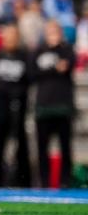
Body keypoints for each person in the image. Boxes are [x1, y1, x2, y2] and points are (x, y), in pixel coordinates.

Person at [0, 25, 31, 187]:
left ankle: (24, 180)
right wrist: (1, 88)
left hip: (18, 105)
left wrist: (17, 92)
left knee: (21, 142)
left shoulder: (24, 56)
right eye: (7, 37)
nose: (10, 40)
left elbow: (30, 77)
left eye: (13, 37)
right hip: (1, 106)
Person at [32, 20, 75, 188]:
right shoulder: (38, 51)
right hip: (43, 106)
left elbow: (68, 65)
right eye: (49, 30)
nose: (53, 34)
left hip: (63, 106)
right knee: (42, 148)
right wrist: (54, 69)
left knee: (65, 147)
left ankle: (65, 181)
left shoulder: (66, 49)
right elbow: (32, 74)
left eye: (55, 30)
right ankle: (43, 182)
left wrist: (52, 67)